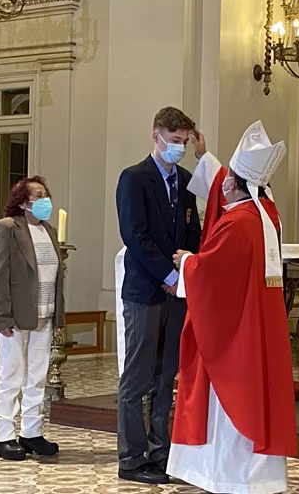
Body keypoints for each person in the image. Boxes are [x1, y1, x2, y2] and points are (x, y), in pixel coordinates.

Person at [167, 120, 297, 494]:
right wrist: (204, 157)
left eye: (228, 178)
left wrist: (187, 262)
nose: (223, 182)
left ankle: (228, 477)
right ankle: (261, 477)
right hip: (258, 326)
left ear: (236, 184)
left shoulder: (239, 221)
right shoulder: (266, 216)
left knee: (229, 403)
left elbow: (212, 272)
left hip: (236, 333)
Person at [115, 106, 202, 484]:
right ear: (157, 137)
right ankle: (131, 458)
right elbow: (135, 235)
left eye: (184, 141)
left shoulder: (185, 180)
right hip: (145, 291)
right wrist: (168, 274)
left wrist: (186, 270)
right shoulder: (134, 178)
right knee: (138, 377)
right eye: (174, 141)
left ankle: (161, 451)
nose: (179, 147)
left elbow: (193, 231)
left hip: (177, 292)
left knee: (166, 374)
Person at [0, 176, 64, 461]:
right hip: (15, 317)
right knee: (11, 375)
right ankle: (4, 435)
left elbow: (56, 277)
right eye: (38, 196)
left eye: (46, 194)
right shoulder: (7, 228)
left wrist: (58, 317)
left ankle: (31, 432)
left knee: (37, 377)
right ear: (22, 202)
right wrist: (1, 317)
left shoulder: (49, 230)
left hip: (44, 314)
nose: (45, 200)